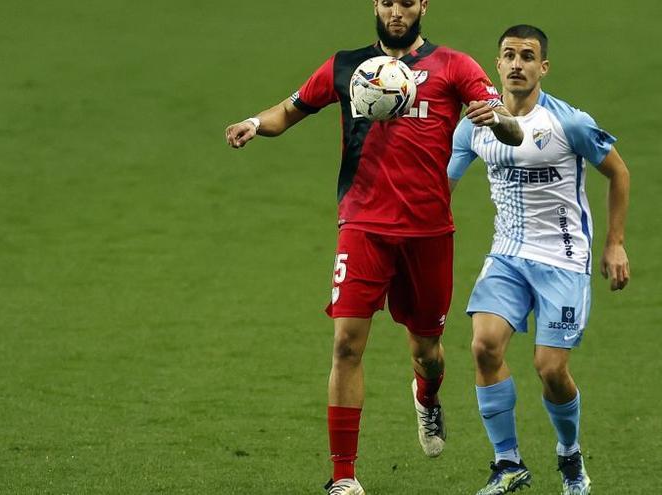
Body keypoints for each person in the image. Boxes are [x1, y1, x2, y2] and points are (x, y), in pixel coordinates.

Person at [225, 2, 523, 494]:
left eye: (407, 1)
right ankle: (343, 476)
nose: (397, 11)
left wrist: (493, 118)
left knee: (427, 351)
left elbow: (512, 131)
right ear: (376, 5)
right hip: (362, 224)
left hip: (428, 232)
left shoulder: (455, 66)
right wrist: (254, 125)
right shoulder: (346, 67)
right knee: (345, 345)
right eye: (388, 1)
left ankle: (427, 398)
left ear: (423, 5)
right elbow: (289, 109)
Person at [447, 25, 631, 495]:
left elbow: (618, 173)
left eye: (527, 57)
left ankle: (569, 456)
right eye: (508, 55)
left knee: (550, 368)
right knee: (484, 346)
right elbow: (439, 190)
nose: (516, 64)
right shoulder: (474, 125)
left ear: (542, 67)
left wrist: (614, 243)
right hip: (506, 256)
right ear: (497, 64)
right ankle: (507, 463)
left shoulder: (568, 123)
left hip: (564, 260)